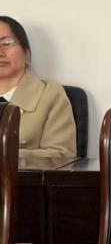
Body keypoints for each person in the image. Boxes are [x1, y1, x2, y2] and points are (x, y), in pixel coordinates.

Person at [0, 16, 76, 158]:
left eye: (6, 43)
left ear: (25, 51)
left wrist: (8, 157)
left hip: (23, 173)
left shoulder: (50, 93)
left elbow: (62, 155)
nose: (0, 52)